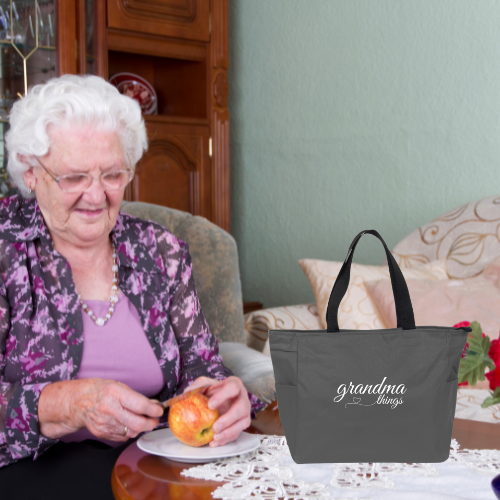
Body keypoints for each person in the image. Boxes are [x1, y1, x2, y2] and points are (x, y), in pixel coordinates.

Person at [0, 74, 267, 499]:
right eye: (73, 177)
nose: (96, 195)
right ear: (31, 173)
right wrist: (67, 404)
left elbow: (202, 366)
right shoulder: (6, 249)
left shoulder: (161, 251)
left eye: (112, 174)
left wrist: (218, 396)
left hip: (156, 462)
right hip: (30, 470)